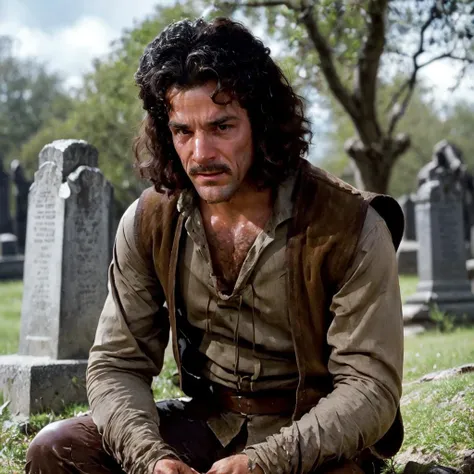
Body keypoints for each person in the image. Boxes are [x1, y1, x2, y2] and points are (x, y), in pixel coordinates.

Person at [25, 17, 405, 474]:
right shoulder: (150, 220)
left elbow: (370, 389)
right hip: (206, 424)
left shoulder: (350, 224)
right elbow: (116, 365)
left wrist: (262, 464)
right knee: (56, 448)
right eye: (183, 131)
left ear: (260, 123)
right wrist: (151, 459)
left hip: (314, 438)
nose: (200, 153)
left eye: (222, 126)